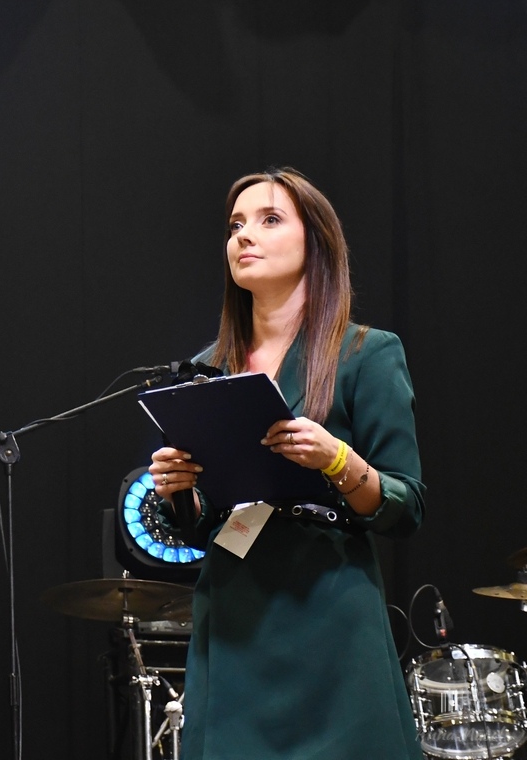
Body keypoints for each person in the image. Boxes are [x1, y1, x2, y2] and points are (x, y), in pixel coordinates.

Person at [147, 167, 425, 759]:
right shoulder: (206, 369)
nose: (244, 236)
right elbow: (198, 525)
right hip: (234, 613)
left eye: (269, 219)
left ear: (315, 242)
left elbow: (406, 509)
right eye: (235, 226)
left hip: (330, 611)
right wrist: (178, 490)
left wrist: (338, 459)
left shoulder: (367, 354)